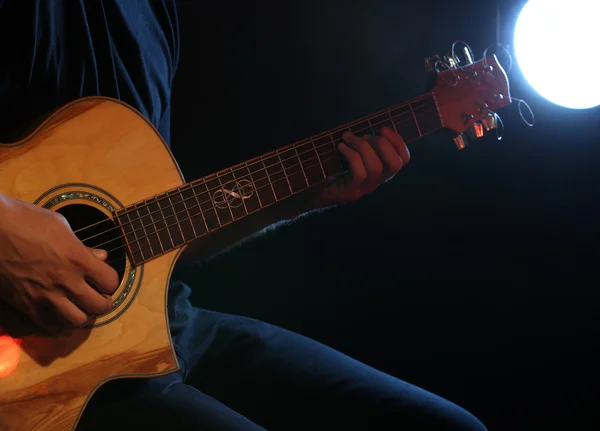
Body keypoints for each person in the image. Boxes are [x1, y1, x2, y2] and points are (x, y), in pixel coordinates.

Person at [0, 1, 487, 430]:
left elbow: (150, 236)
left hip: (160, 327)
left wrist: (307, 195)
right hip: (41, 376)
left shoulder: (149, 14)